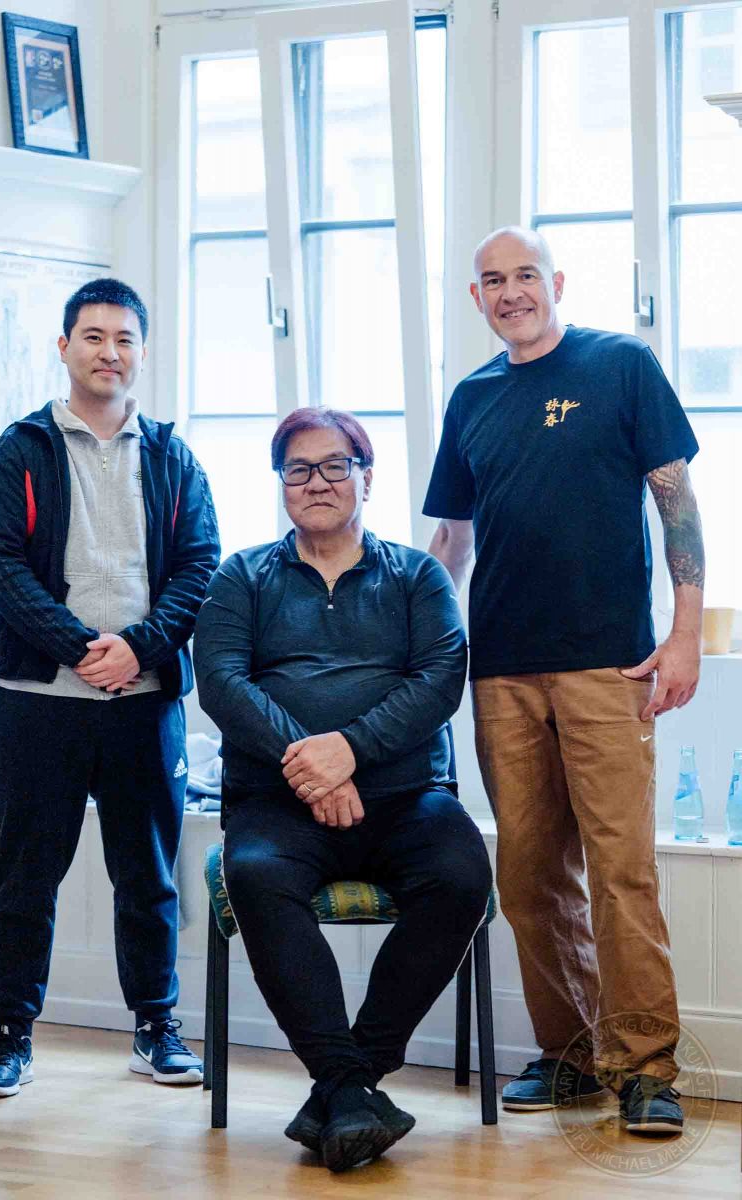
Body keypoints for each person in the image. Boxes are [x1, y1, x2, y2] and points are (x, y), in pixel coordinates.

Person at [425, 227, 703, 1136]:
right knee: (528, 875)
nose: (510, 292)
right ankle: (571, 1054)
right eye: (492, 280)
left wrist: (684, 634)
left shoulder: (619, 365)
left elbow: (675, 501)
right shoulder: (470, 397)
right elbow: (451, 542)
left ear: (556, 282)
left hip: (607, 664)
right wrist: (417, 637)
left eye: (525, 275)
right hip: (501, 671)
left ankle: (645, 1068)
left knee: (620, 871)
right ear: (476, 297)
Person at [194, 408, 491, 1173]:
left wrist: (349, 751)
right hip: (276, 802)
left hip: (405, 797)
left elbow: (439, 681)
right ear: (281, 483)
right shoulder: (241, 577)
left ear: (366, 477)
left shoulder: (417, 574)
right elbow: (221, 683)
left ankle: (345, 1081)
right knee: (253, 873)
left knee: (461, 874)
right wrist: (308, 765)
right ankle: (347, 1086)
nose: (317, 482)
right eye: (298, 469)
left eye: (334, 465)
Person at [0, 278, 220, 1098]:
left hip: (145, 706)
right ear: (65, 346)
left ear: (141, 351)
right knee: (25, 879)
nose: (109, 352)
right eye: (93, 336)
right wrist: (82, 650)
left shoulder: (174, 457)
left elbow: (200, 567)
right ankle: (10, 1037)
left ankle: (156, 1029)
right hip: (39, 704)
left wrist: (137, 648)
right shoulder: (20, 449)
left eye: (124, 339)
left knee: (147, 879)